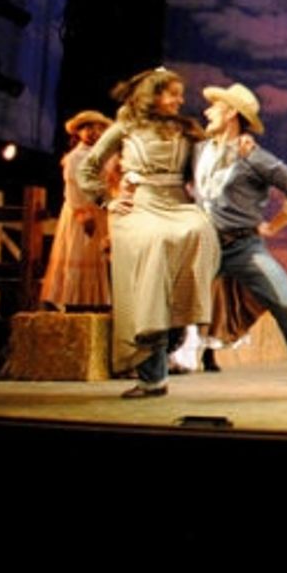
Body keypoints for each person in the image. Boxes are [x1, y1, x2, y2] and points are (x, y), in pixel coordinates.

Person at [191, 82, 287, 400]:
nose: (207, 111)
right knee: (166, 302)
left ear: (231, 113)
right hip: (202, 246)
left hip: (243, 247)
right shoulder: (197, 151)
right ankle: (151, 378)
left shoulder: (255, 157)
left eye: (215, 106)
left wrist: (274, 226)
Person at [78, 67, 219, 398]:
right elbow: (89, 167)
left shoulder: (186, 129)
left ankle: (178, 324)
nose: (180, 100)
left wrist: (236, 142)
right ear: (152, 95)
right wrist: (108, 200)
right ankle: (152, 374)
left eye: (180, 94)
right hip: (140, 206)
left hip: (177, 203)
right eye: (172, 94)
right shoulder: (125, 127)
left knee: (201, 229)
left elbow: (216, 158)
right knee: (154, 248)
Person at [40, 110, 114, 310]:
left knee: (102, 256)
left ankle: (99, 302)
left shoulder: (106, 155)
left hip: (102, 211)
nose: (93, 132)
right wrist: (83, 214)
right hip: (81, 212)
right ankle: (76, 302)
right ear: (78, 132)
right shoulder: (75, 157)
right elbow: (73, 189)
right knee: (80, 253)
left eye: (98, 128)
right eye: (88, 127)